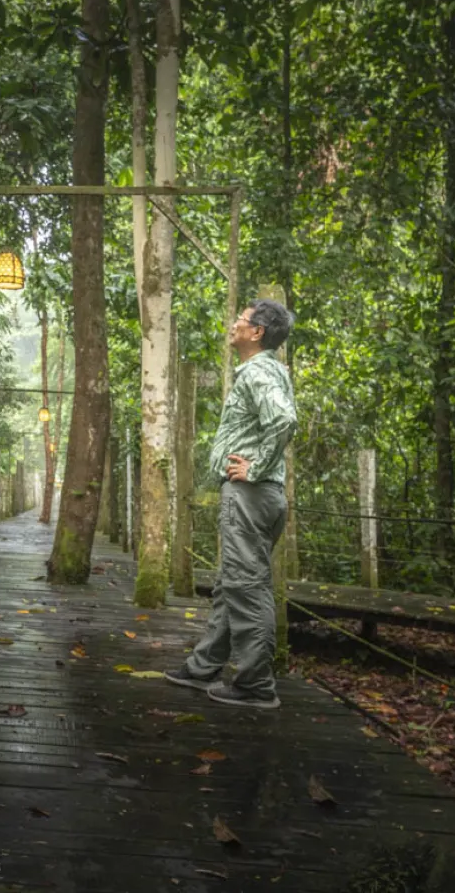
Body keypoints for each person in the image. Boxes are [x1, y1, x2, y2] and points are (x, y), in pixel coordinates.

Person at [166, 298, 296, 709]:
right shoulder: (263, 370)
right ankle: (204, 666)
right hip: (256, 496)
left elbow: (284, 419)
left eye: (240, 320)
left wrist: (254, 468)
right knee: (232, 582)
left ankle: (256, 684)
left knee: (246, 586)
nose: (233, 325)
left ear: (257, 332)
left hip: (251, 493)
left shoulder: (259, 370)